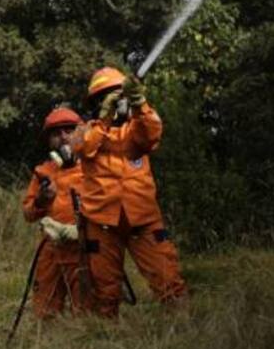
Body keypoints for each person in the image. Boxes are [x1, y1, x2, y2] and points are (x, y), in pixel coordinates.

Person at [68, 67, 187, 318]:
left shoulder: (137, 126)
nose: (115, 99)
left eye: (118, 94)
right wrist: (104, 120)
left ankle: (182, 324)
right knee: (104, 289)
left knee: (167, 277)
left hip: (143, 220)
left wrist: (140, 103)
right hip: (101, 224)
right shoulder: (87, 130)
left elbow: (152, 134)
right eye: (107, 96)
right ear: (97, 103)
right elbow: (81, 147)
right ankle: (105, 342)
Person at [20, 106, 85, 317]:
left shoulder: (93, 167)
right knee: (45, 312)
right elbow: (28, 214)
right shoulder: (42, 172)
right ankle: (48, 348)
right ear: (49, 140)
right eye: (56, 133)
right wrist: (40, 200)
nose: (64, 137)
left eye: (69, 130)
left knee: (86, 311)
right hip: (51, 250)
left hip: (84, 248)